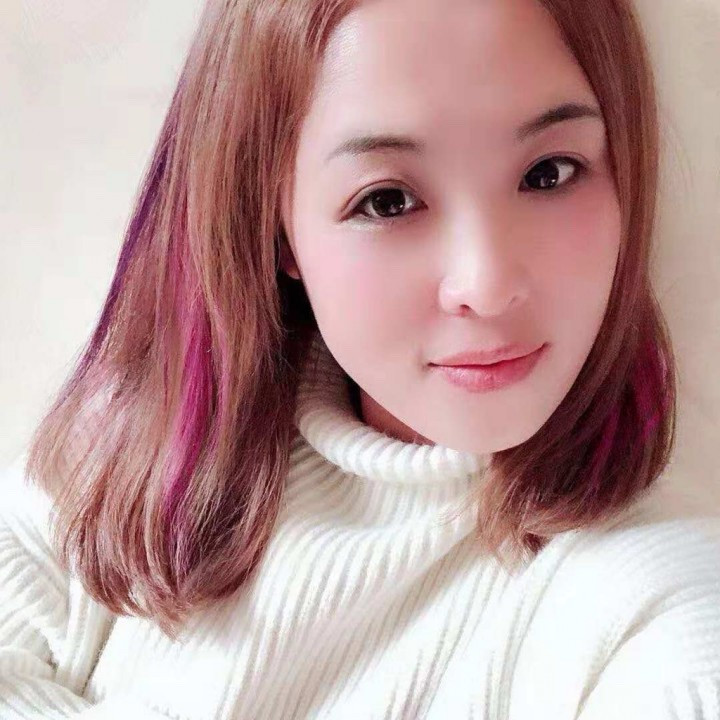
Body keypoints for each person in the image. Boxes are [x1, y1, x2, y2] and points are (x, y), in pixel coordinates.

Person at [2, 0, 719, 717]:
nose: (486, 283)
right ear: (277, 229)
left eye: (549, 173)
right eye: (387, 201)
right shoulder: (125, 461)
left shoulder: (654, 613)